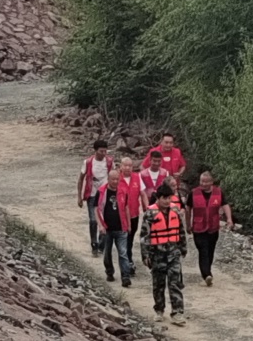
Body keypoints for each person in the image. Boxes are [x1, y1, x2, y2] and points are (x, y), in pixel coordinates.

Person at [140, 186, 188, 325]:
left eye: (169, 198)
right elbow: (144, 236)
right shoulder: (150, 214)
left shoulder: (175, 211)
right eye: (164, 198)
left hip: (173, 253)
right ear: (158, 198)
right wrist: (145, 255)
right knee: (158, 285)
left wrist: (183, 248)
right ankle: (159, 310)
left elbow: (181, 231)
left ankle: (177, 312)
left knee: (175, 283)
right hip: (157, 254)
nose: (167, 201)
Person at [184, 169, 232, 287]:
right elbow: (188, 208)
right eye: (201, 181)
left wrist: (229, 219)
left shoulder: (218, 192)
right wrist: (188, 224)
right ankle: (206, 274)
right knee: (203, 249)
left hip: (213, 228)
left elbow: (225, 205)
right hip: (198, 228)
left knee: (210, 250)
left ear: (211, 182)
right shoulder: (193, 193)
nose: (203, 184)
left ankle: (207, 271)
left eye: (206, 182)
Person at [105, 157, 142, 287]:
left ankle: (126, 272)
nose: (127, 168)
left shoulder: (136, 179)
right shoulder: (108, 186)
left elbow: (140, 195)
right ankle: (112, 270)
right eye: (125, 165)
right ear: (120, 166)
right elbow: (99, 207)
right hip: (111, 223)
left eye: (130, 165)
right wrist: (101, 224)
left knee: (126, 247)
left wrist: (146, 208)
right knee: (110, 250)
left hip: (129, 218)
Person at [77, 139, 112, 255]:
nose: (103, 154)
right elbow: (81, 179)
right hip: (92, 194)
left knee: (105, 219)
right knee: (93, 220)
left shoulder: (109, 162)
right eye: (101, 151)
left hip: (105, 195)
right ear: (95, 151)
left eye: (105, 151)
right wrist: (79, 196)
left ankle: (102, 243)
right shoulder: (88, 162)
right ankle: (94, 243)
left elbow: (114, 177)